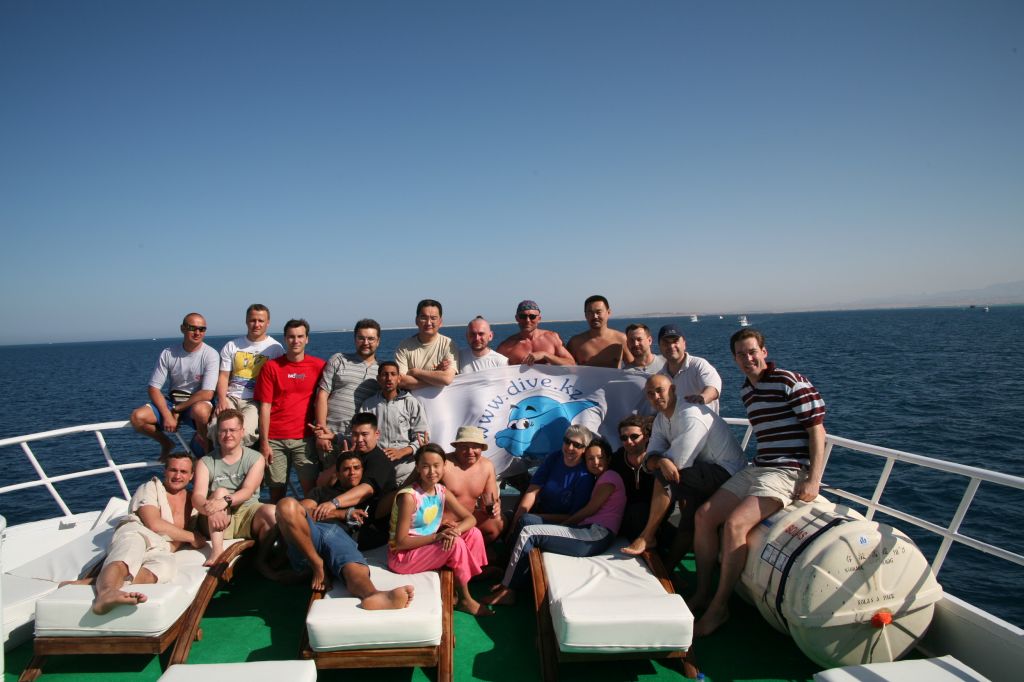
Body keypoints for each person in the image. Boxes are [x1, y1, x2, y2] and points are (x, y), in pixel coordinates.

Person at [690, 328, 826, 636]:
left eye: (752, 351)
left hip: (788, 471)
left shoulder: (789, 381)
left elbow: (817, 429)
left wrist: (813, 480)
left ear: (764, 352)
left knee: (735, 525)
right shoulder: (747, 392)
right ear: (734, 359)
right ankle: (703, 592)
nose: (748, 358)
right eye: (741, 354)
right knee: (704, 516)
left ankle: (719, 608)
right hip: (760, 467)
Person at [622, 375, 746, 569]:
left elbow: (676, 464)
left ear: (672, 390)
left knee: (664, 476)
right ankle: (669, 568)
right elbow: (650, 459)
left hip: (727, 471)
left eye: (660, 391)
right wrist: (659, 460)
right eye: (650, 394)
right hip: (701, 469)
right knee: (689, 517)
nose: (656, 397)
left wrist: (660, 461)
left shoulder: (691, 415)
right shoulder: (661, 419)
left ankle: (647, 536)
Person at [484, 438, 625, 606]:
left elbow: (590, 510)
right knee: (527, 522)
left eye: (600, 457)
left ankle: (509, 589)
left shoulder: (610, 476)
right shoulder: (598, 479)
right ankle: (507, 571)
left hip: (596, 534)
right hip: (588, 531)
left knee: (530, 534)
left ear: (608, 459)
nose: (595, 462)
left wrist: (565, 524)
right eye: (590, 458)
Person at [64, 452, 205, 614]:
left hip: (162, 548)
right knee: (127, 557)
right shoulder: (150, 488)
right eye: (173, 470)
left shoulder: (193, 500)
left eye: (183, 472)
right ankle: (105, 594)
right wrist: (192, 537)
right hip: (139, 532)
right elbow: (154, 524)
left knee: (164, 569)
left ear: (191, 475)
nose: (178, 476)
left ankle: (99, 582)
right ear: (165, 471)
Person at [387, 443, 492, 616]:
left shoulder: (441, 491)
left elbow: (470, 519)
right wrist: (438, 537)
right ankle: (465, 599)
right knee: (455, 544)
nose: (432, 471)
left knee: (473, 533)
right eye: (425, 466)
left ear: (444, 467)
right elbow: (400, 542)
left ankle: (459, 584)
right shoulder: (409, 497)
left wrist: (455, 530)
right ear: (417, 468)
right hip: (402, 557)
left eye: (436, 466)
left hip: (424, 547)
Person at [260, 496, 414, 609]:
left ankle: (373, 595)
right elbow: (302, 509)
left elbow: (367, 488)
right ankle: (317, 564)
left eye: (356, 467)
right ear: (337, 473)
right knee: (286, 505)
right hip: (309, 537)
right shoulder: (321, 491)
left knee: (351, 566)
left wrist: (343, 511)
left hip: (337, 534)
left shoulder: (366, 491)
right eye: (346, 469)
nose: (351, 472)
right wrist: (341, 513)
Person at [254, 318, 326, 501]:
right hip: (275, 440)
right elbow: (265, 406)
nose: (296, 341)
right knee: (276, 493)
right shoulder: (271, 367)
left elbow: (326, 399)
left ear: (307, 339)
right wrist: (264, 443)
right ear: (285, 339)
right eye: (291, 337)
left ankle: (307, 520)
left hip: (305, 439)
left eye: (300, 336)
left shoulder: (319, 366)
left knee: (311, 493)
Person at [193, 409, 276, 565]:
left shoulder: (255, 458)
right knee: (220, 491)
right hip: (216, 519)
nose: (228, 435)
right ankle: (217, 552)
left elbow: (248, 491)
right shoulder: (205, 462)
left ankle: (263, 560)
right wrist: (210, 510)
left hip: (246, 512)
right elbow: (197, 497)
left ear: (242, 431)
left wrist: (225, 501)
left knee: (272, 512)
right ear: (217, 433)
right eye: (223, 431)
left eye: (232, 430)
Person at [130, 312, 218, 457]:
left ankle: (208, 455)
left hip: (195, 403)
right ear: (182, 328)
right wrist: (167, 415)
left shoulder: (210, 354)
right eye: (192, 328)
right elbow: (153, 388)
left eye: (201, 329)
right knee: (137, 417)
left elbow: (207, 393)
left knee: (201, 411)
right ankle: (166, 443)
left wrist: (177, 410)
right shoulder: (168, 353)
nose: (197, 333)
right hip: (173, 402)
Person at [311, 412, 401, 548]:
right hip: (339, 516)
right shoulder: (352, 454)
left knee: (312, 532)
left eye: (364, 434)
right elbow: (321, 483)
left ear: (377, 434)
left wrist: (334, 503)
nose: (359, 439)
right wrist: (341, 461)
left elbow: (366, 490)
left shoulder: (379, 461)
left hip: (366, 528)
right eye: (355, 434)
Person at [209, 304, 283, 447]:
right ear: (246, 321)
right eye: (253, 320)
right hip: (231, 398)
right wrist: (222, 400)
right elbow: (223, 376)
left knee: (246, 432)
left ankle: (237, 459)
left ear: (268, 323)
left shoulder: (275, 349)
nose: (256, 324)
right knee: (215, 427)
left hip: (255, 401)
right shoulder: (232, 346)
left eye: (261, 321)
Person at [507, 425, 596, 533]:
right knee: (509, 519)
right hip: (539, 511)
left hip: (562, 523)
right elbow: (532, 491)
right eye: (567, 441)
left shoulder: (584, 477)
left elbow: (573, 517)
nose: (570, 447)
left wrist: (533, 517)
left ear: (584, 449)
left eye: (576, 445)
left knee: (526, 520)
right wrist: (515, 521)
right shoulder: (554, 458)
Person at [314, 319, 381, 458]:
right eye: (361, 338)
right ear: (355, 339)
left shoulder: (382, 372)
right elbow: (322, 395)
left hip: (359, 441)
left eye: (371, 339)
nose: (366, 342)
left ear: (378, 341)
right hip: (330, 435)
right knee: (328, 472)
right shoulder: (338, 360)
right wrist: (321, 432)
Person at [359, 361, 429, 484]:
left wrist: (402, 452)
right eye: (385, 374)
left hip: (406, 471)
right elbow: (360, 434)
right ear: (378, 379)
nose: (389, 378)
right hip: (377, 470)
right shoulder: (368, 405)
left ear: (399, 378)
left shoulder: (411, 403)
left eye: (393, 374)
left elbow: (422, 437)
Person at [442, 426, 502, 542]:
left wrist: (495, 507)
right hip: (443, 523)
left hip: (469, 520)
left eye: (475, 447)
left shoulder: (487, 466)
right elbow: (422, 496)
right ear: (456, 447)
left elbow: (490, 501)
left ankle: (472, 550)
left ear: (481, 448)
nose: (470, 452)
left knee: (497, 523)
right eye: (464, 446)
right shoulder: (443, 463)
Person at [609, 414, 658, 541]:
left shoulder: (656, 458)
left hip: (655, 517)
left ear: (646, 437)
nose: (629, 441)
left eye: (634, 436)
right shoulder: (616, 460)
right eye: (624, 438)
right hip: (625, 515)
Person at [657, 324, 722, 413]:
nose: (671, 346)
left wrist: (702, 398)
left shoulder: (699, 365)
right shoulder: (660, 376)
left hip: (701, 422)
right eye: (666, 342)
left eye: (675, 341)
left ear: (684, 343)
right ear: (660, 347)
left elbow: (713, 388)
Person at [395, 299, 457, 389]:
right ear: (416, 320)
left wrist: (415, 372)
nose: (428, 323)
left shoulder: (448, 345)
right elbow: (401, 381)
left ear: (440, 322)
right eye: (423, 317)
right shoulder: (404, 347)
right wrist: (436, 377)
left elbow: (446, 379)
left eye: (433, 318)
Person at [495, 300, 575, 366]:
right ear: (517, 318)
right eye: (523, 316)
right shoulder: (506, 347)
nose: (527, 320)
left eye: (532, 316)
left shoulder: (552, 338)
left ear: (539, 319)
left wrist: (545, 355)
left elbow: (572, 365)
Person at [567, 295, 633, 368]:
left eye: (598, 312)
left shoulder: (621, 339)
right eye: (590, 312)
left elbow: (633, 367)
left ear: (608, 312)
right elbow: (565, 367)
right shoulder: (575, 343)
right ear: (585, 315)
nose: (595, 316)